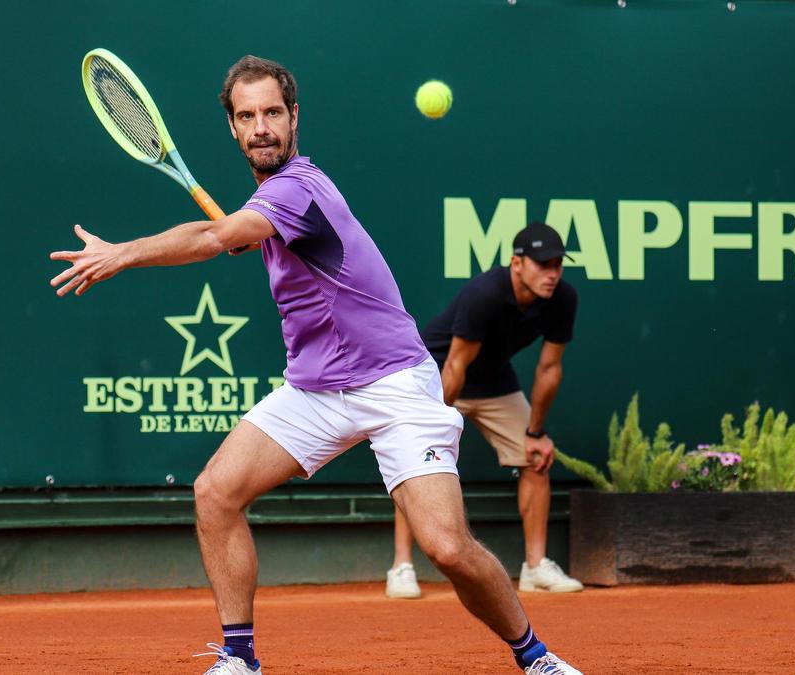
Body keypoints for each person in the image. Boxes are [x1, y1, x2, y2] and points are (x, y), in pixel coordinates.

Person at [49, 55, 582, 675]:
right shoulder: (269, 202)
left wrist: (124, 253)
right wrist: (239, 232)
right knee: (215, 493)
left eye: (272, 112)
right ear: (233, 128)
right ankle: (239, 656)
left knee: (447, 547)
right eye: (246, 116)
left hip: (393, 382)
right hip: (315, 390)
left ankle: (535, 656)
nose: (261, 127)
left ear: (293, 116)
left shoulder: (300, 186)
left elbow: (215, 238)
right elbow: (243, 234)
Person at [386, 222, 584, 599]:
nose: (552, 274)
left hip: (494, 381)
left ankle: (535, 566)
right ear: (516, 263)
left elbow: (549, 368)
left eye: (558, 265)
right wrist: (432, 426)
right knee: (417, 463)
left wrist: (535, 432)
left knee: (536, 458)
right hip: (438, 374)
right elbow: (456, 365)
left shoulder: (563, 298)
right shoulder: (485, 293)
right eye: (544, 264)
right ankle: (401, 566)